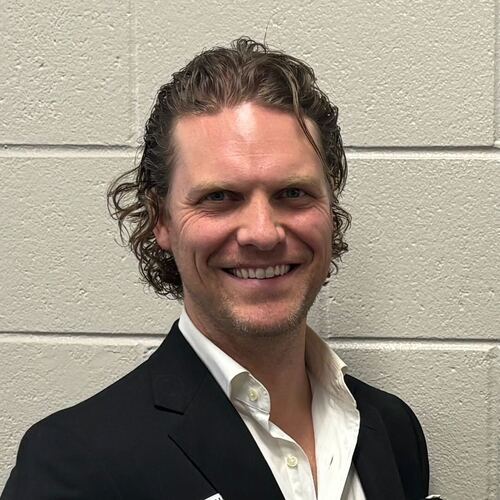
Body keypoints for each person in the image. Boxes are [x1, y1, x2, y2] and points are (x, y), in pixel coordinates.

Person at [1, 37, 430, 500]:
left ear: (329, 209)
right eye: (219, 197)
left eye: (293, 193)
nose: (262, 233)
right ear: (161, 220)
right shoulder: (72, 463)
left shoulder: (392, 431)